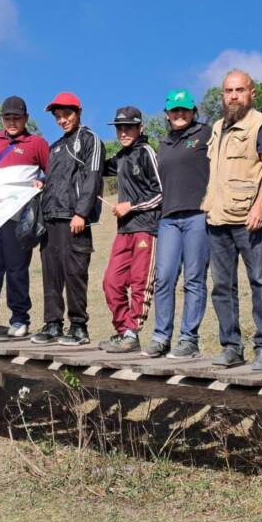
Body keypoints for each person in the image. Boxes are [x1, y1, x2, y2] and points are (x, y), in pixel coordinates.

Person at [204, 70, 262, 372]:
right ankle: (231, 347)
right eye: (228, 91)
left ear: (252, 93)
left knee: (260, 282)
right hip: (218, 220)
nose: (233, 96)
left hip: (251, 219)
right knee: (222, 286)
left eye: (239, 90)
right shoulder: (217, 127)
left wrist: (259, 207)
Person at [0, 96, 51, 337]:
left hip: (21, 219)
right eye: (8, 117)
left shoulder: (37, 143)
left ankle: (19, 319)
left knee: (17, 270)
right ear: (2, 118)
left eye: (17, 117)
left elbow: (52, 171)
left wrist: (43, 181)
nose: (12, 122)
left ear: (26, 118)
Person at [30, 92, 103, 346]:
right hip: (50, 218)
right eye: (58, 116)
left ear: (78, 112)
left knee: (75, 273)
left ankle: (79, 328)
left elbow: (93, 178)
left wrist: (82, 212)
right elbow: (53, 180)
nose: (62, 120)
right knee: (51, 274)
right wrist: (42, 182)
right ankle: (52, 325)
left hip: (74, 219)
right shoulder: (55, 147)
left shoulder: (90, 139)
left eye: (66, 115)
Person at [144, 89, 211, 360]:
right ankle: (161, 337)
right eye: (175, 110)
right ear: (167, 114)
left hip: (198, 214)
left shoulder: (206, 134)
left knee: (194, 279)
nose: (180, 114)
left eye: (185, 109)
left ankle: (188, 340)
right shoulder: (162, 143)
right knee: (164, 278)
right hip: (168, 218)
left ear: (194, 112)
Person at [98, 106, 162, 353]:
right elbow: (98, 169)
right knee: (111, 281)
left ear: (140, 128)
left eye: (129, 127)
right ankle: (122, 331)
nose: (123, 132)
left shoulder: (147, 152)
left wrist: (131, 206)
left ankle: (131, 332)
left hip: (146, 228)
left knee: (139, 281)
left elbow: (161, 193)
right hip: (123, 231)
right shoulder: (121, 157)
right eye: (119, 128)